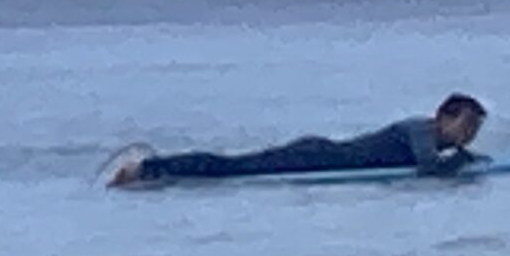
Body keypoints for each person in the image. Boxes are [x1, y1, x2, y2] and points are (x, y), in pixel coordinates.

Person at [109, 93, 488, 185]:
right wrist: (464, 161)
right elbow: (428, 170)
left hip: (323, 156)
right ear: (443, 117)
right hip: (317, 158)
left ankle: (152, 170)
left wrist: (467, 158)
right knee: (232, 168)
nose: (469, 134)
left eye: (475, 129)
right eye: (466, 125)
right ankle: (146, 168)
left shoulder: (436, 140)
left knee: (233, 168)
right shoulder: (420, 130)